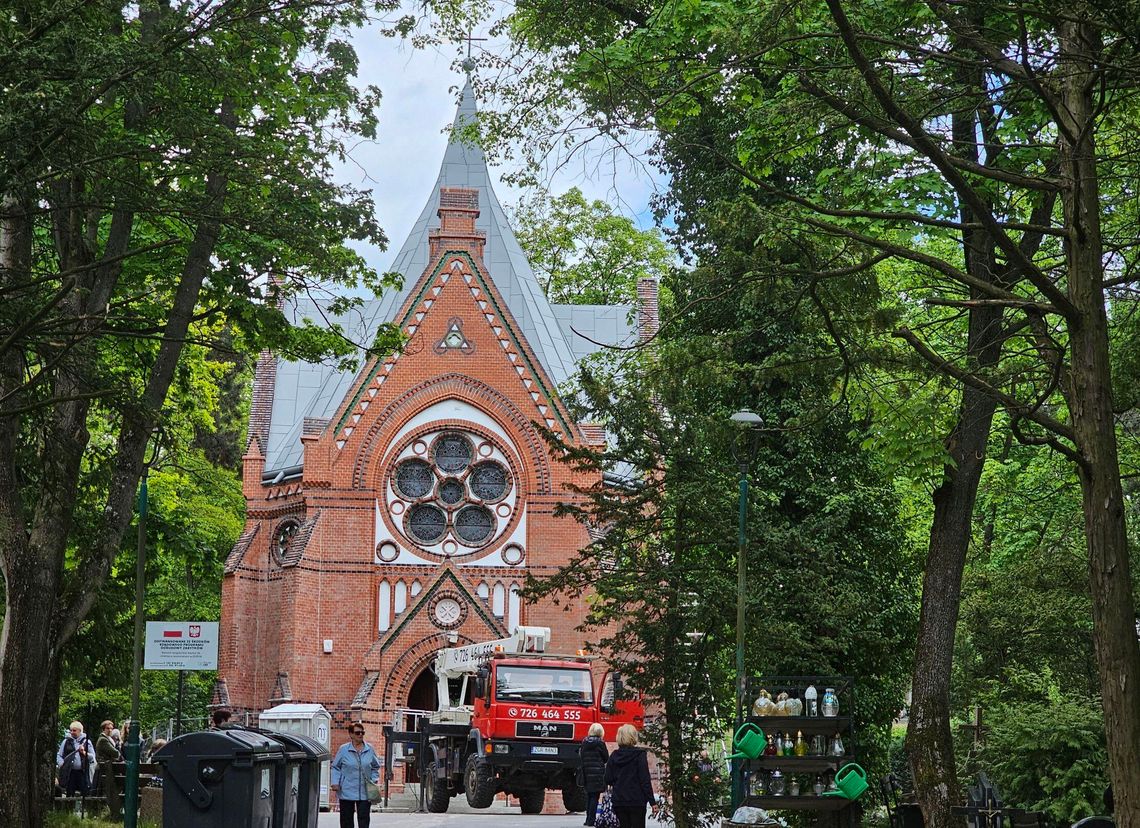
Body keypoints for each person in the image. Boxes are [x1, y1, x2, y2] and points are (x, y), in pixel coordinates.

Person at [604, 724, 655, 828]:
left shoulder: (614, 755)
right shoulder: (640, 755)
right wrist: (652, 802)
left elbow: (607, 778)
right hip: (637, 800)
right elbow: (644, 779)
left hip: (619, 800)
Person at [331, 722, 380, 828]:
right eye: (357, 733)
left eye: (362, 732)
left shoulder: (369, 749)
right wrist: (335, 782)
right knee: (346, 820)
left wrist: (374, 779)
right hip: (346, 789)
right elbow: (336, 767)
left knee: (364, 819)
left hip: (365, 790)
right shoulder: (343, 749)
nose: (361, 735)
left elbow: (375, 766)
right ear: (351, 734)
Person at [578, 722, 609, 826]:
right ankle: (591, 820)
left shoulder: (584, 742)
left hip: (586, 773)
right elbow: (606, 758)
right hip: (598, 774)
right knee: (595, 797)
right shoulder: (600, 743)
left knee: (589, 796)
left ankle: (588, 819)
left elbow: (581, 757)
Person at [57, 721, 94, 797]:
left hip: (82, 772)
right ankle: (68, 808)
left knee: (85, 792)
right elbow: (59, 755)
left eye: (74, 730)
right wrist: (61, 763)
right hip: (70, 772)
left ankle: (84, 808)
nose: (72, 732)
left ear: (80, 731)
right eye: (71, 730)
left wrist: (84, 752)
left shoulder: (87, 742)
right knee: (70, 792)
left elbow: (92, 757)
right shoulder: (66, 741)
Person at [95, 720, 122, 820]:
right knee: (107, 792)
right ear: (103, 729)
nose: (110, 730)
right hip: (104, 769)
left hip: (107, 769)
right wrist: (118, 754)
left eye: (111, 728)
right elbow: (115, 753)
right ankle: (110, 814)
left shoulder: (108, 739)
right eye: (108, 728)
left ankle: (112, 813)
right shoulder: (103, 740)